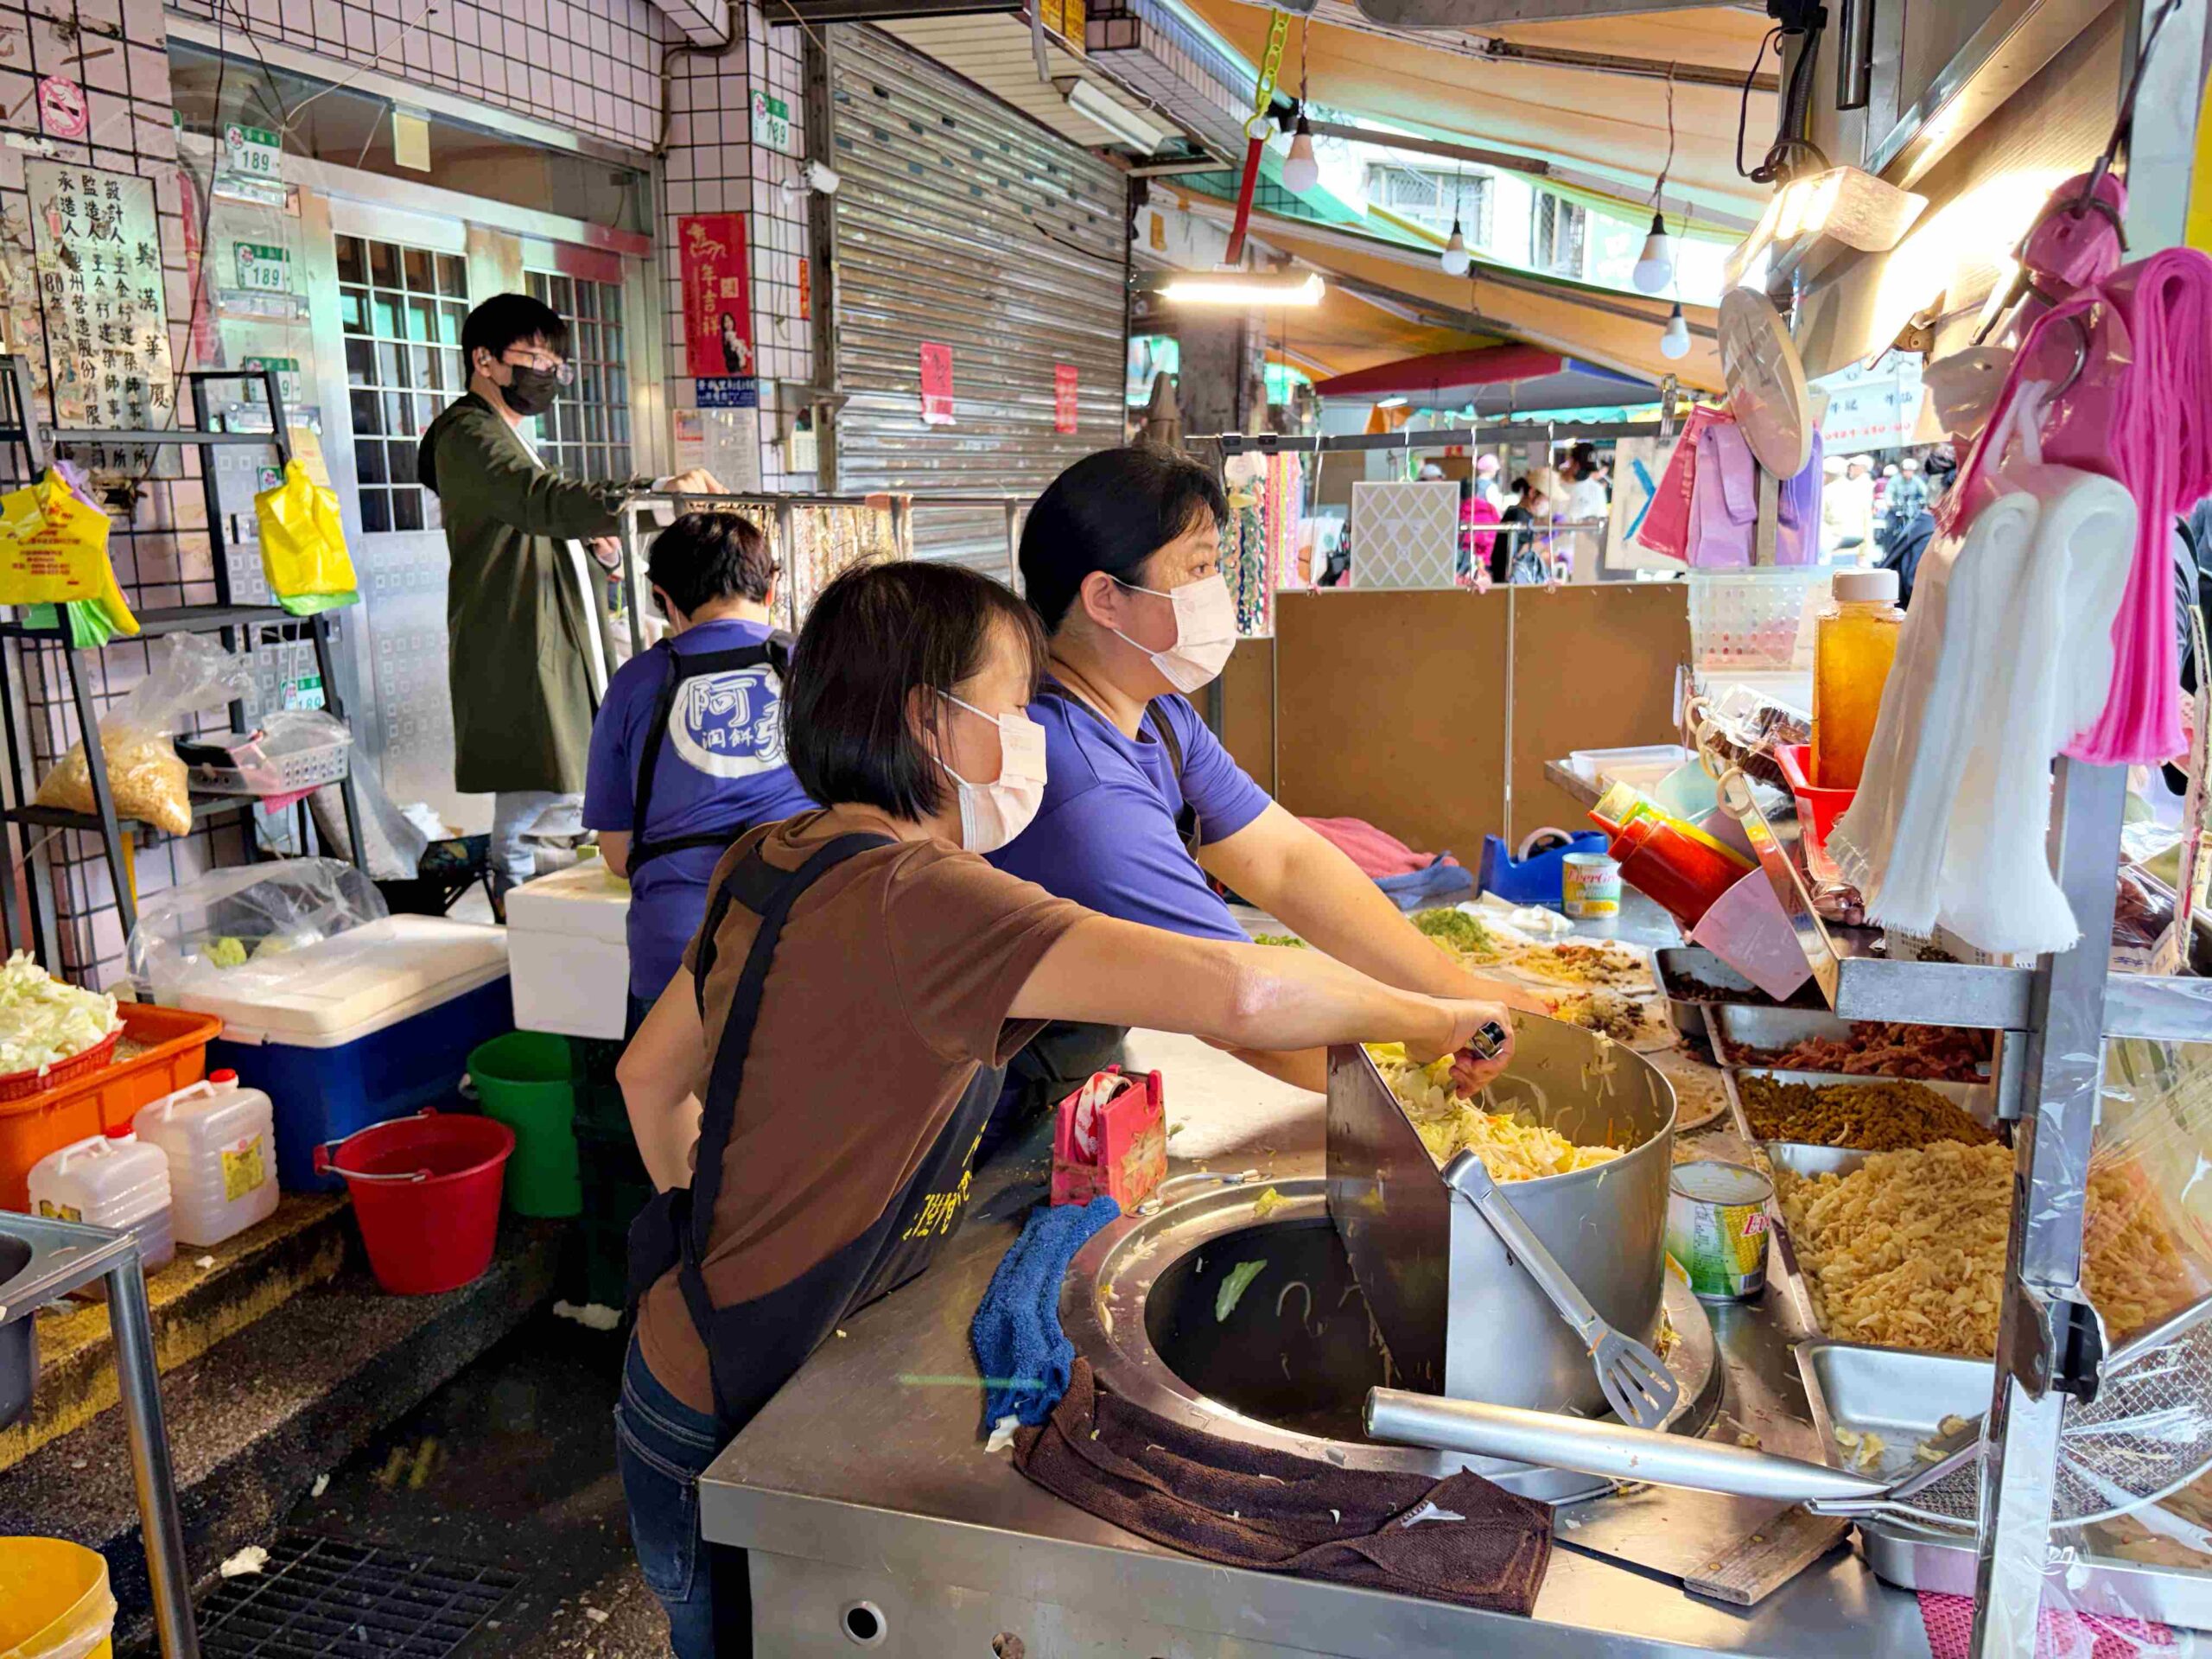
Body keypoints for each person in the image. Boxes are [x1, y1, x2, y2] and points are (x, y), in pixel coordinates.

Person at [614, 559, 1515, 1656]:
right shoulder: (926, 898)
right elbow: (1232, 989)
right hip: (737, 1404)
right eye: (1009, 707)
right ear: (927, 724)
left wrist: (707, 1240)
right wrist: (1428, 1017)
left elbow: (647, 1080)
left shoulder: (772, 855)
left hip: (677, 1365)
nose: (1029, 735)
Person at [983, 446, 1536, 1134]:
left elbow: (1286, 863)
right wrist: (1428, 1069)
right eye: (1201, 568)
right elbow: (1238, 1001)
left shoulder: (1156, 713)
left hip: (1069, 1085)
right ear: (1106, 599)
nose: (1218, 590)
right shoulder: (1076, 779)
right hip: (989, 1128)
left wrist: (1454, 990)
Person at [420, 292, 721, 911]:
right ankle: (515, 899)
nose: (548, 375)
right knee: (537, 772)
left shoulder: (509, 436)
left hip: (551, 623)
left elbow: (553, 521)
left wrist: (605, 555)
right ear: (484, 359)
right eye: (534, 357)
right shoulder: (468, 434)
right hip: (516, 629)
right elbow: (538, 500)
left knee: (563, 762)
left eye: (557, 364)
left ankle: (539, 898)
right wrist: (654, 492)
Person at [583, 512, 816, 1031]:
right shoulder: (814, 667)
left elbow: (619, 856)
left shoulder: (633, 684)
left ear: (663, 598)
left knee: (675, 1108)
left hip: (679, 952)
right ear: (773, 586)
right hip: (807, 935)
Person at [1498, 469, 1555, 585]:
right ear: (1532, 493)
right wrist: (1548, 538)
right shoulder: (1519, 515)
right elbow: (1521, 551)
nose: (1548, 503)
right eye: (1546, 498)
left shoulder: (1523, 514)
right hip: (1507, 581)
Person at [1821, 454, 1876, 563]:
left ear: (1828, 475)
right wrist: (1865, 552)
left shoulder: (1825, 492)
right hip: (1856, 550)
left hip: (1832, 551)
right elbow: (1867, 523)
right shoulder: (1858, 490)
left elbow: (1819, 522)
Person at [717, 311, 751, 376]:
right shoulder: (727, 338)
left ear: (733, 321)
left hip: (738, 370)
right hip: (734, 371)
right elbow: (730, 356)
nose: (728, 323)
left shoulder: (733, 336)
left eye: (730, 320)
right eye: (726, 322)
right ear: (723, 325)